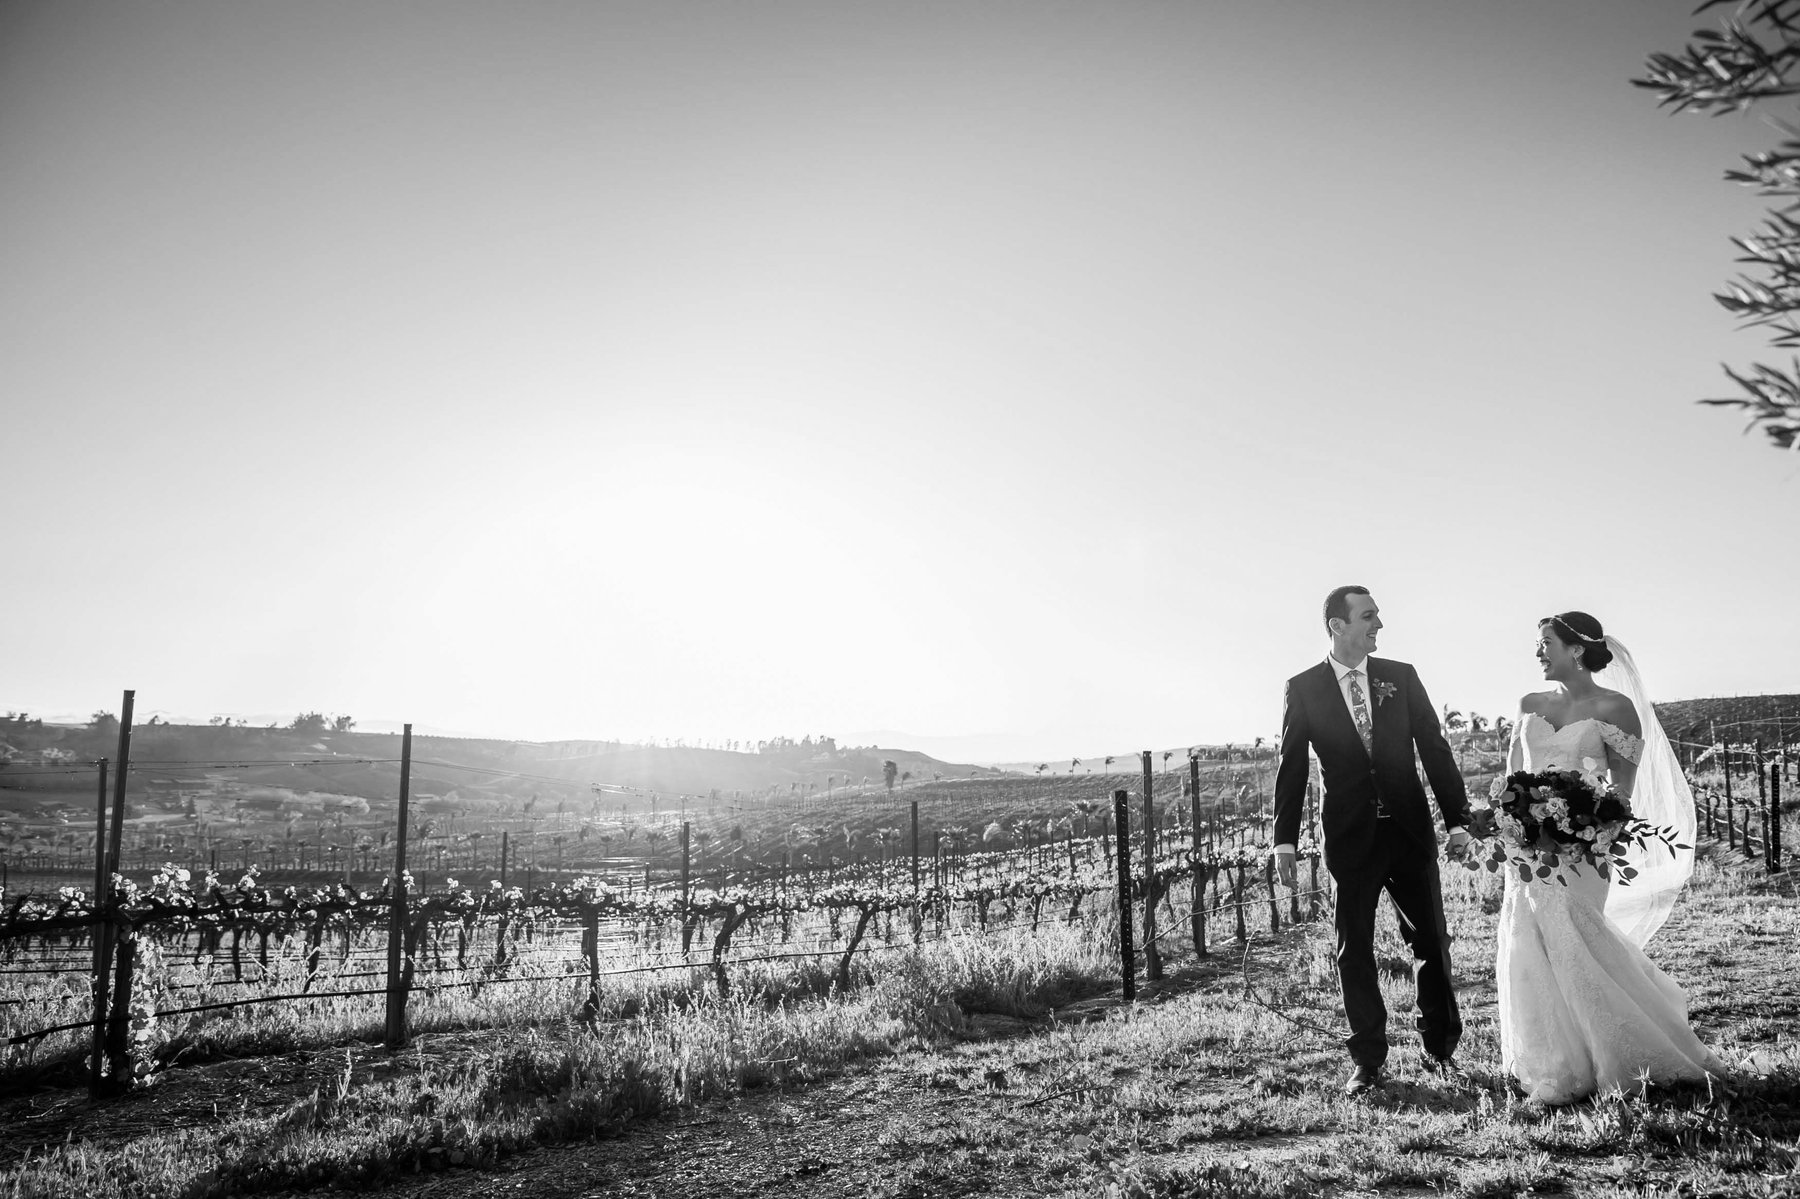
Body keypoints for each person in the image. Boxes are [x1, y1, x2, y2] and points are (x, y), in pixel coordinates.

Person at [1494, 611, 1723, 1104]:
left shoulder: (1615, 708)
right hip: (1527, 852)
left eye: (1546, 642)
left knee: (1577, 938)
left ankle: (1625, 1052)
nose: (1538, 651)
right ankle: (1554, 1064)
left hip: (1581, 851)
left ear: (1576, 649)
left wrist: (1581, 828)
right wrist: (1516, 822)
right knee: (1528, 942)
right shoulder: (1528, 704)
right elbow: (1513, 778)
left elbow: (1622, 791)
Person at [1273, 586, 1471, 1095]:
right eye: (1368, 616)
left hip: (1409, 832)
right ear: (1337, 626)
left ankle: (1439, 1048)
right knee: (1353, 948)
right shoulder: (1303, 688)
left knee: (1431, 942)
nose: (1378, 624)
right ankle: (1367, 1060)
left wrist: (1457, 821)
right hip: (1349, 836)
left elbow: (1434, 747)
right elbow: (1292, 767)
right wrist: (1283, 841)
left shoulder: (1400, 677)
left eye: (1377, 615)